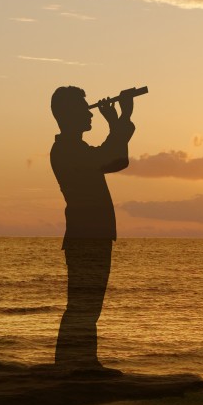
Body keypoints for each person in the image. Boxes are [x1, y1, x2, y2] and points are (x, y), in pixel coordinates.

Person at [49, 86, 135, 376]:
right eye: (83, 109)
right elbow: (109, 157)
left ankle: (81, 363)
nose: (89, 113)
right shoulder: (67, 150)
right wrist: (119, 121)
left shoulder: (73, 148)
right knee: (82, 304)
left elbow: (117, 161)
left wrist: (120, 122)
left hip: (91, 234)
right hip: (86, 236)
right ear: (69, 115)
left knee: (87, 304)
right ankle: (72, 365)